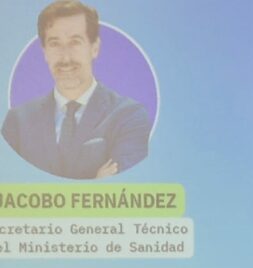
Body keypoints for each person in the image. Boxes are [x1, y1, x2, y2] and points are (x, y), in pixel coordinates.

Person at [2, 0, 150, 179]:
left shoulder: (129, 116)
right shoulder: (17, 121)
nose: (65, 57)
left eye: (75, 42)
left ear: (94, 48)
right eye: (55, 43)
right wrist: (94, 182)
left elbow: (122, 194)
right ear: (45, 52)